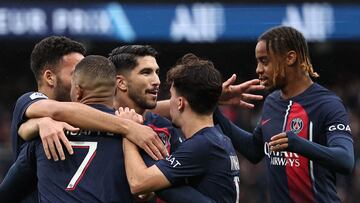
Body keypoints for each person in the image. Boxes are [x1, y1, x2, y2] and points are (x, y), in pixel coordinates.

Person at [0, 36, 165, 202]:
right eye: (74, 72)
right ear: (50, 77)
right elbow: (55, 110)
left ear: (78, 90)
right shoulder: (31, 103)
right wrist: (129, 127)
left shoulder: (40, 134)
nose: (82, 75)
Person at [214, 26, 354, 203]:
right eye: (258, 62)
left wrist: (298, 144)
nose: (258, 69)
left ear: (290, 58)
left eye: (264, 61)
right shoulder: (272, 102)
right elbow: (254, 150)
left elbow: (345, 160)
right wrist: (213, 110)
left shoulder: (327, 104)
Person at [121, 53, 240, 203]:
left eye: (171, 96)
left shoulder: (202, 145)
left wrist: (128, 130)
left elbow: (138, 183)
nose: (168, 102)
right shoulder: (220, 140)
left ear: (180, 103)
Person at [28, 55, 132, 202]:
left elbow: (10, 188)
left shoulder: (46, 133)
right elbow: (144, 190)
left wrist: (38, 125)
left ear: (77, 91)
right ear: (115, 90)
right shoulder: (135, 133)